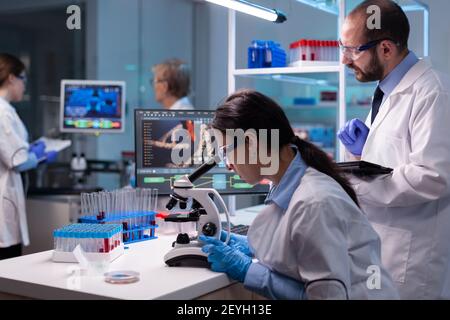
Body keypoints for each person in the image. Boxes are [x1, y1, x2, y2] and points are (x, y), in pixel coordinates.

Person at [200, 89, 399, 300]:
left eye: (225, 152)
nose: (228, 165)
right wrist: (253, 247)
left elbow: (325, 297)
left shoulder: (313, 202)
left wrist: (247, 270)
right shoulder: (291, 183)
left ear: (251, 144)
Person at [337, 0, 450, 299]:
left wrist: (355, 182)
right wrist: (362, 155)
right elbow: (394, 160)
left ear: (385, 48)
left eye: (352, 50)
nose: (345, 60)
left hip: (411, 263)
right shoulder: (388, 91)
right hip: (382, 250)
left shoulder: (433, 92)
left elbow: (433, 177)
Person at [0, 53, 58, 260]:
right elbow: (18, 160)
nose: (24, 86)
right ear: (11, 78)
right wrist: (40, 156)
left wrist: (30, 149)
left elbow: (12, 149)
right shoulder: (3, 112)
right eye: (23, 79)